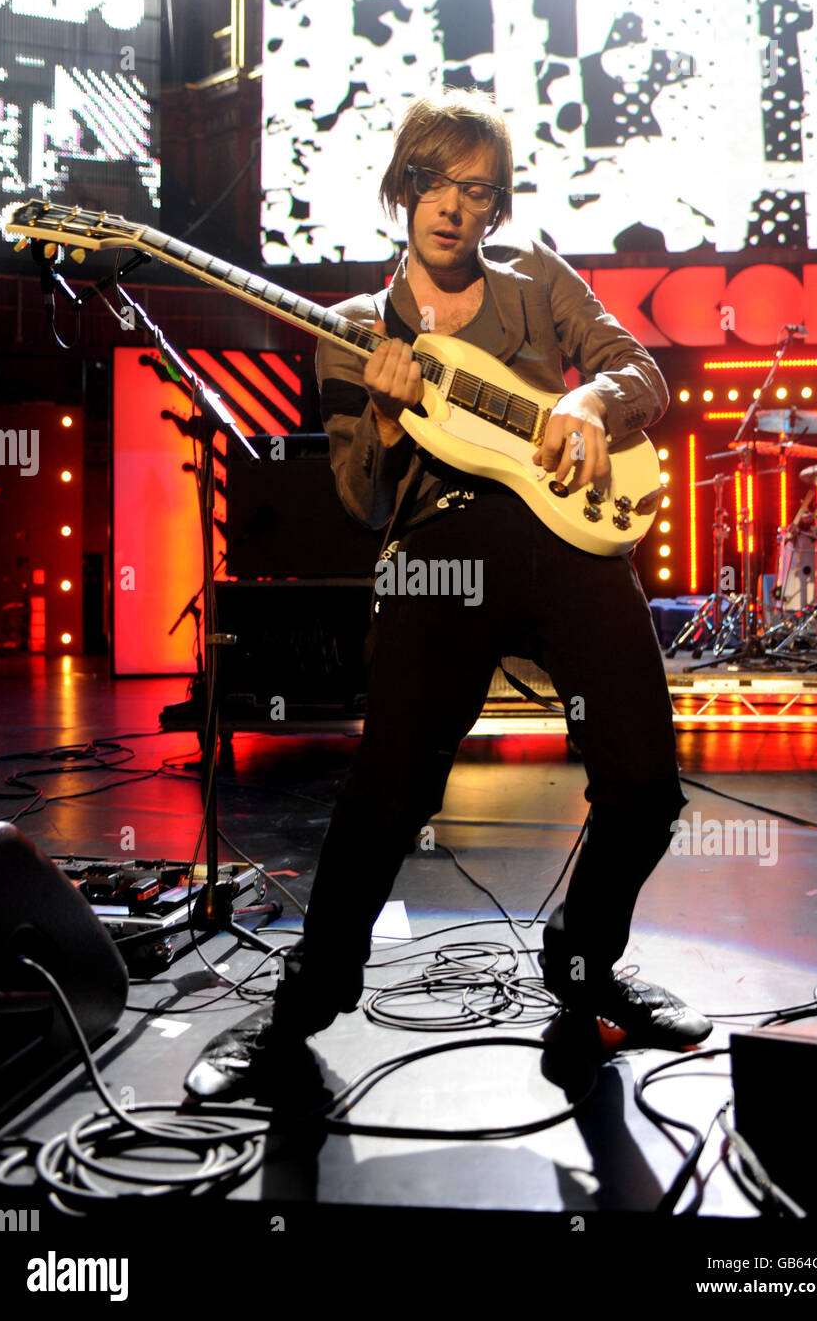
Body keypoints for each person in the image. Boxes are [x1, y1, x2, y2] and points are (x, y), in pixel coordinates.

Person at [186, 89, 710, 1104]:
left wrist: (587, 398)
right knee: (388, 793)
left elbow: (638, 372)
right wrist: (383, 423)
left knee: (646, 786)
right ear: (402, 189)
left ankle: (585, 964)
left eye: (477, 189)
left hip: (569, 540)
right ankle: (300, 1005)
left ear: (496, 210)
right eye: (432, 181)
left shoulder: (536, 281)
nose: (453, 205)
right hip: (441, 554)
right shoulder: (352, 326)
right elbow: (359, 501)